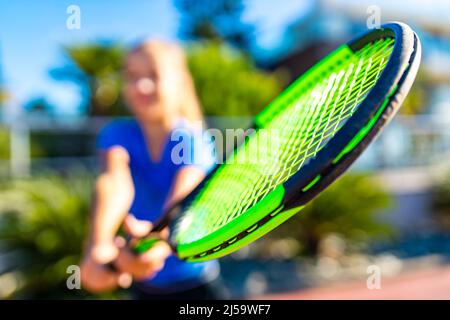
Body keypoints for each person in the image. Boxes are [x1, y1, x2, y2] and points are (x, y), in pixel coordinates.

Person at [80, 40, 226, 299]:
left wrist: (153, 244)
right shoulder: (116, 135)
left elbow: (182, 207)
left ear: (178, 82)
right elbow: (115, 182)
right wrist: (99, 246)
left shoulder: (193, 139)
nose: (141, 86)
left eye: (154, 75)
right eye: (133, 76)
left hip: (196, 288)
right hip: (144, 290)